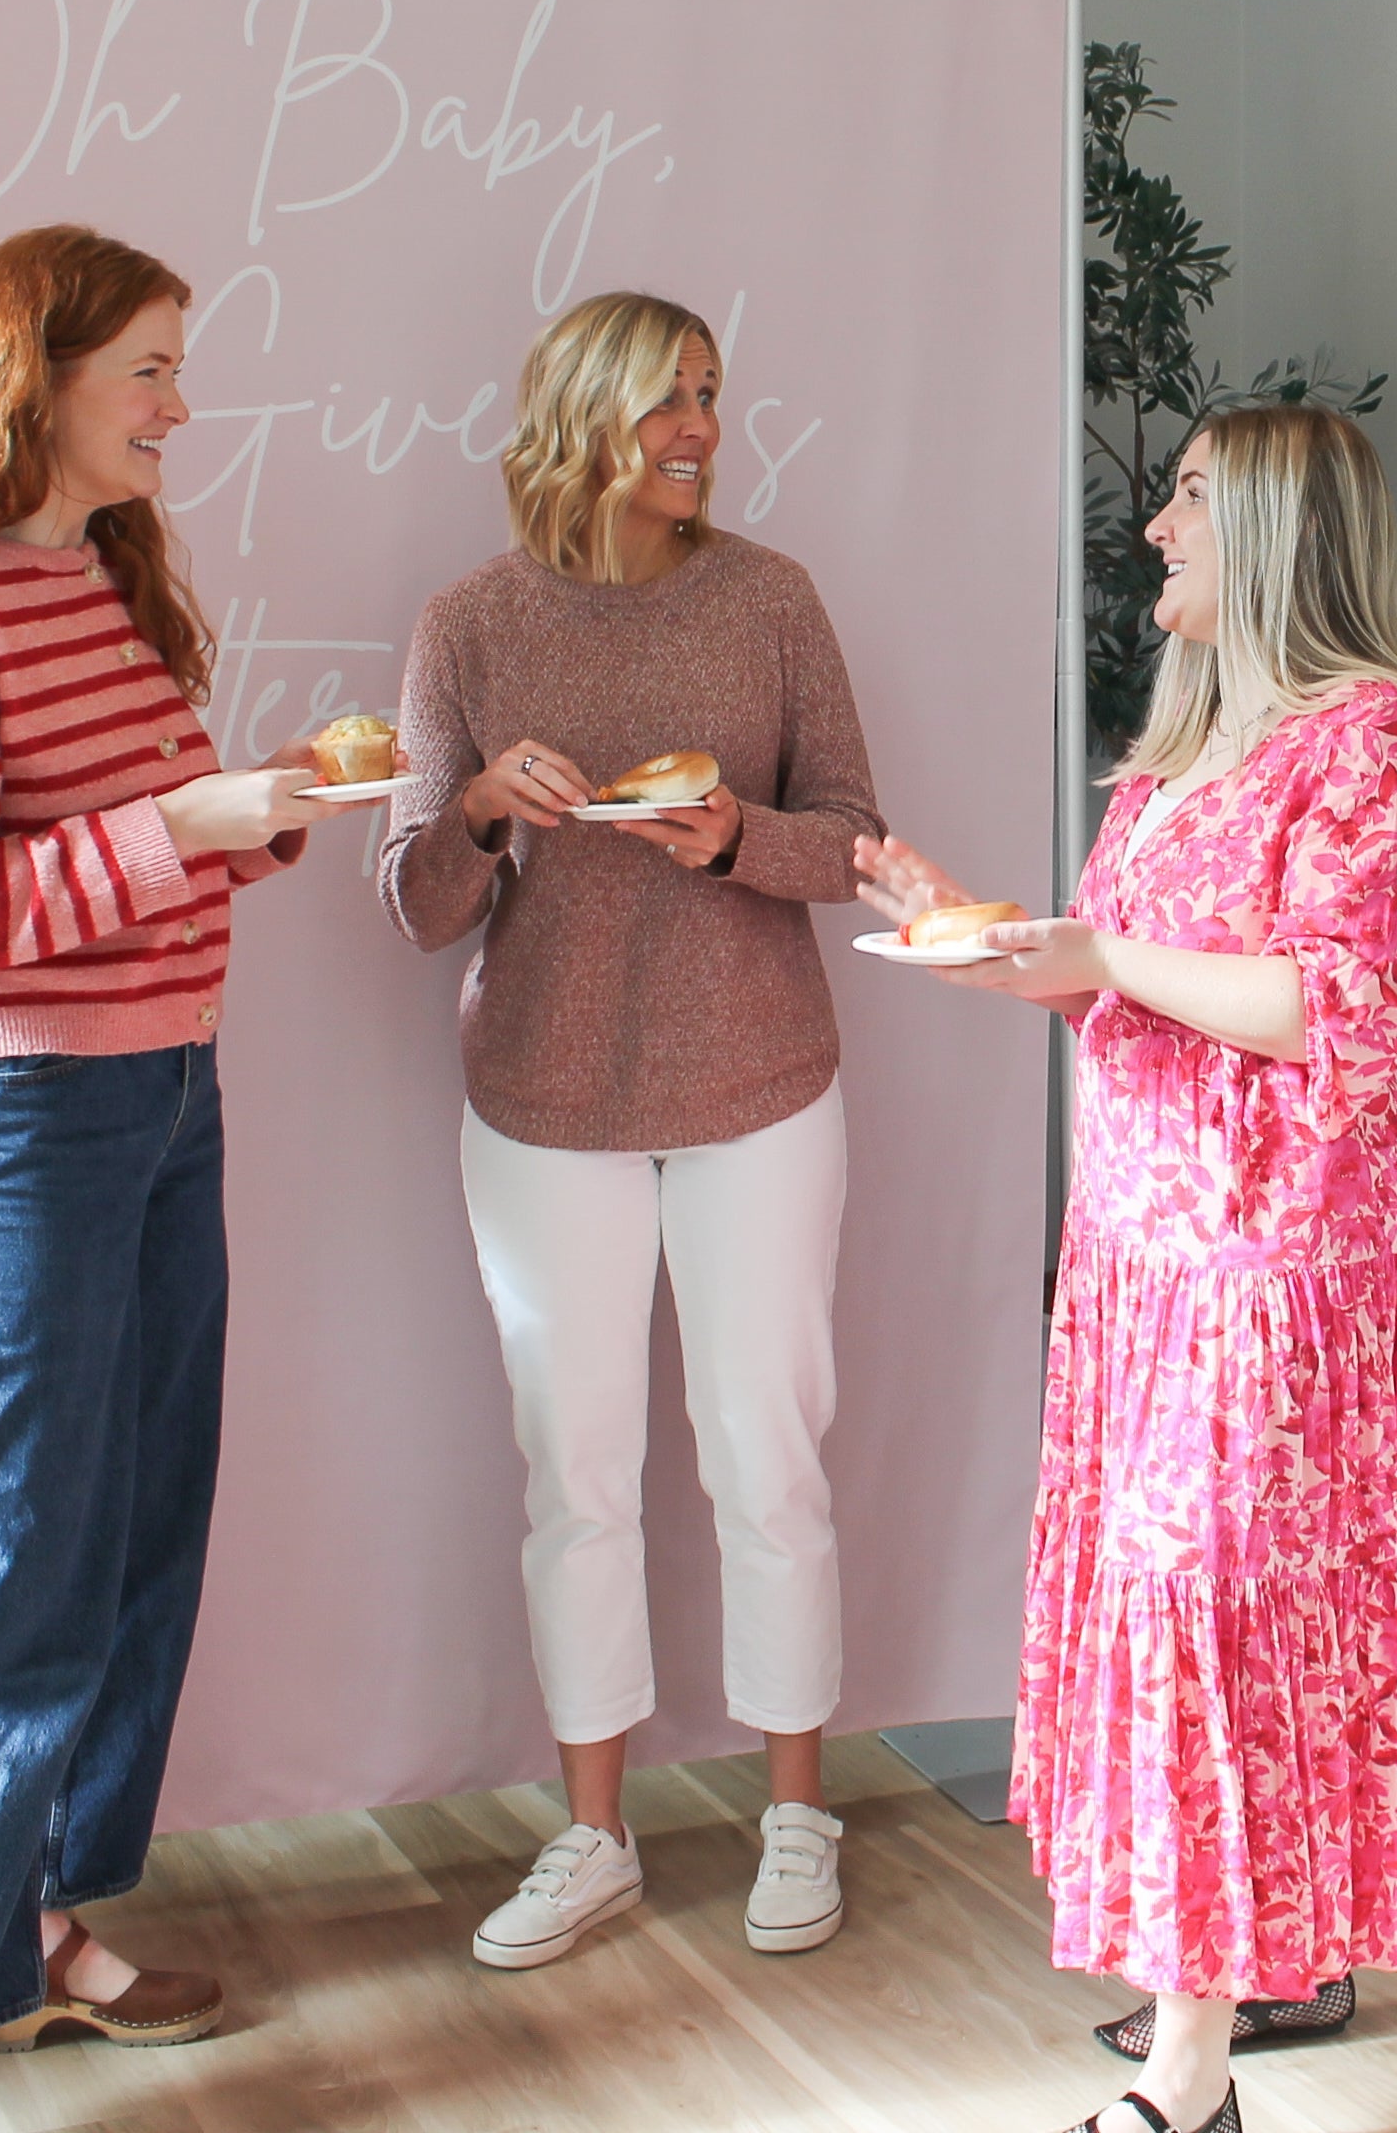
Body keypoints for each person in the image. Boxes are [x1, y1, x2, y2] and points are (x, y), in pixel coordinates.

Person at [0, 226, 358, 2133]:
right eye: (155, 373)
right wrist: (184, 818)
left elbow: (118, 855)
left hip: (156, 1098)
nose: (183, 409)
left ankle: (29, 1933)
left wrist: (248, 821)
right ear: (40, 373)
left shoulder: (84, 580)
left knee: (122, 1539)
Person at [858, 401, 1397, 2133]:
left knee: (1221, 1625)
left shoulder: (1384, 744)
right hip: (1142, 1267)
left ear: (1275, 525)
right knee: (1167, 1625)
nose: (1157, 530)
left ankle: (1192, 2075)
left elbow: (1331, 1012)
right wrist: (993, 932)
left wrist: (1097, 951)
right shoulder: (1180, 751)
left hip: (1276, 1274)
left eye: (1191, 498)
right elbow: (1129, 985)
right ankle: (1228, 1985)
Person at [379, 290, 885, 1971]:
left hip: (758, 1089)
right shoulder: (467, 627)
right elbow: (416, 909)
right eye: (670, 397)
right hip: (542, 1106)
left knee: (765, 1454)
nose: (699, 430)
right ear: (584, 409)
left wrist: (742, 832)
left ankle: (794, 1807)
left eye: (713, 398)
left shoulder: (772, 602)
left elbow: (859, 842)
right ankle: (592, 1834)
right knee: (576, 1476)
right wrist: (466, 812)